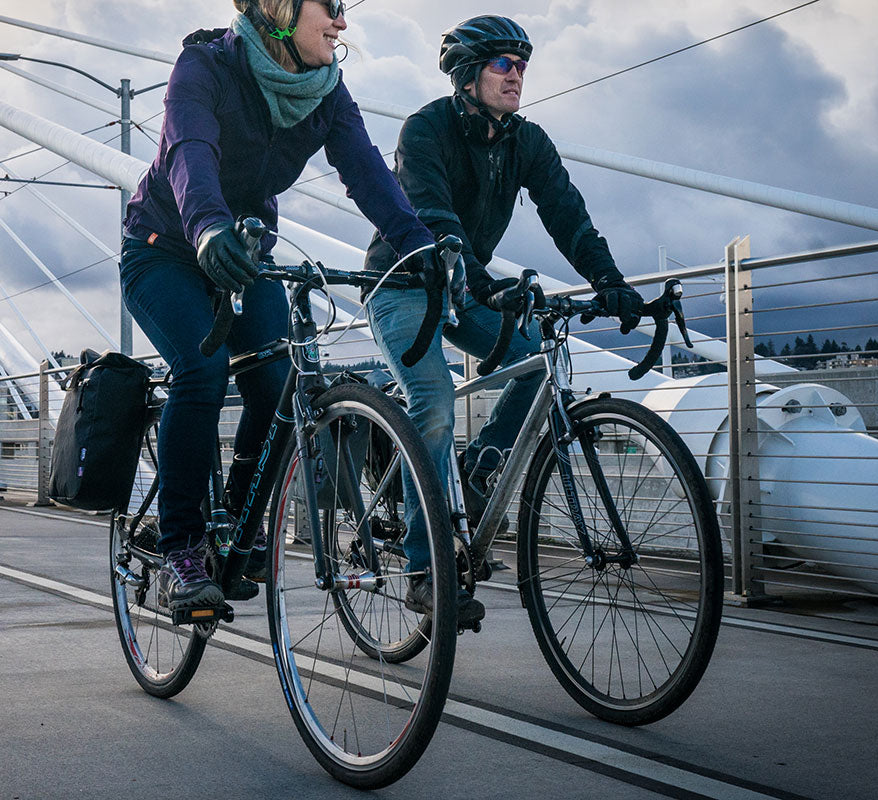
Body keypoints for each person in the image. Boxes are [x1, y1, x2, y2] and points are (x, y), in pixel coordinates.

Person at [122, 0, 440, 619]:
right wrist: (208, 227)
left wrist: (419, 247)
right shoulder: (204, 66)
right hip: (165, 248)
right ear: (279, 9)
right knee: (202, 373)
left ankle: (237, 530)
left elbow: (370, 175)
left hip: (245, 255)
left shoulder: (325, 91)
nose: (343, 22)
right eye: (332, 6)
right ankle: (182, 547)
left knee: (278, 387)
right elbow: (190, 152)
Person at [362, 15, 644, 625]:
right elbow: (433, 211)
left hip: (468, 290)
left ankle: (482, 466)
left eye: (522, 66)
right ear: (467, 75)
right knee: (433, 405)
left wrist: (610, 281)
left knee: (538, 361)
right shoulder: (426, 129)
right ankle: (423, 569)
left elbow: (568, 214)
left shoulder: (527, 141)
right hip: (406, 284)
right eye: (502, 64)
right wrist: (472, 270)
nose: (516, 75)